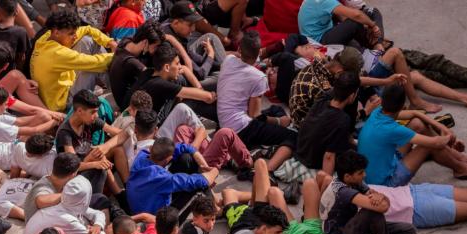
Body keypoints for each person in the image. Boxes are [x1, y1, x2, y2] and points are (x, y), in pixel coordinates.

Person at [358, 85, 467, 184]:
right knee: (429, 145)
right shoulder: (392, 129)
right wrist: (449, 136)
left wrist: (441, 127)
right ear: (402, 105)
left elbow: (414, 113)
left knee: (417, 124)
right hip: (385, 182)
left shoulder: (377, 112)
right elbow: (436, 143)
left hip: (383, 164)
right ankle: (461, 169)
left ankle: (459, 158)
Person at [216, 31, 295, 170]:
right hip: (242, 128)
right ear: (259, 51)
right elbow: (255, 115)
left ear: (239, 49)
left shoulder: (228, 61)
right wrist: (278, 122)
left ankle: (257, 147)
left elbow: (233, 56)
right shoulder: (259, 77)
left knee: (275, 110)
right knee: (293, 137)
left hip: (225, 122)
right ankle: (267, 167)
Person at [29, 8, 117, 112]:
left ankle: (110, 85)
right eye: (71, 34)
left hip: (59, 88)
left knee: (86, 41)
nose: (75, 36)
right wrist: (119, 53)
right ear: (57, 32)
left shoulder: (47, 36)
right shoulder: (57, 53)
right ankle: (116, 92)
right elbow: (96, 62)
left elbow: (87, 29)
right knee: (92, 65)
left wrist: (110, 42)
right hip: (64, 104)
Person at [127, 137, 217, 215]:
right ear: (169, 159)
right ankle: (215, 211)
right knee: (198, 187)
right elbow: (196, 181)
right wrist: (214, 171)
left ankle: (215, 204)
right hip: (156, 220)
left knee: (186, 158)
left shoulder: (142, 155)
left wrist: (200, 161)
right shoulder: (161, 177)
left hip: (146, 200)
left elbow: (182, 147)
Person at [295, 72, 360, 173]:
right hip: (314, 162)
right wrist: (327, 182)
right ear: (352, 96)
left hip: (301, 151)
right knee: (355, 153)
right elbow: (329, 156)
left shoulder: (321, 101)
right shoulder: (343, 119)